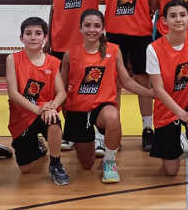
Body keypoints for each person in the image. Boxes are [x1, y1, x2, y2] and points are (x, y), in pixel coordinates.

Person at [60, 9, 155, 183]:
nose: (92, 29)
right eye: (87, 25)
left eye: (97, 26)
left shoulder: (114, 50)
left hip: (102, 108)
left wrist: (151, 93)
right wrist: (52, 106)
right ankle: (88, 141)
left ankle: (109, 161)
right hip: (78, 110)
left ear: (103, 29)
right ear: (80, 28)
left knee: (112, 116)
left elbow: (126, 81)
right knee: (87, 164)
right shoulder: (69, 54)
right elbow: (61, 88)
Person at [97, 0, 156, 152]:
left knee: (143, 81)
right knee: (115, 84)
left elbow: (152, 6)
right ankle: (115, 129)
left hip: (141, 35)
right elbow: (97, 3)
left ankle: (147, 129)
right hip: (114, 37)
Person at [47, 0, 103, 152]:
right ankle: (71, 132)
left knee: (90, 86)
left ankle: (97, 134)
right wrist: (49, 36)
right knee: (65, 89)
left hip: (87, 39)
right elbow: (54, 5)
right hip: (61, 38)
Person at [147, 0, 188, 184]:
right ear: (164, 21)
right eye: (173, 16)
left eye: (182, 15)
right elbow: (158, 89)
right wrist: (182, 114)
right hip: (167, 108)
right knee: (171, 171)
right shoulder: (153, 49)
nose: (178, 19)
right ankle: (181, 138)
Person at [6, 17, 69, 185]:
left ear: (45, 38)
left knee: (53, 120)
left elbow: (62, 93)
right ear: (21, 38)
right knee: (25, 169)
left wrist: (51, 107)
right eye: (28, 33)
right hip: (23, 114)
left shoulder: (53, 62)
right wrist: (39, 110)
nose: (33, 37)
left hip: (45, 111)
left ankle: (55, 164)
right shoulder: (13, 59)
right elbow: (13, 94)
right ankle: (39, 146)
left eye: (38, 33)